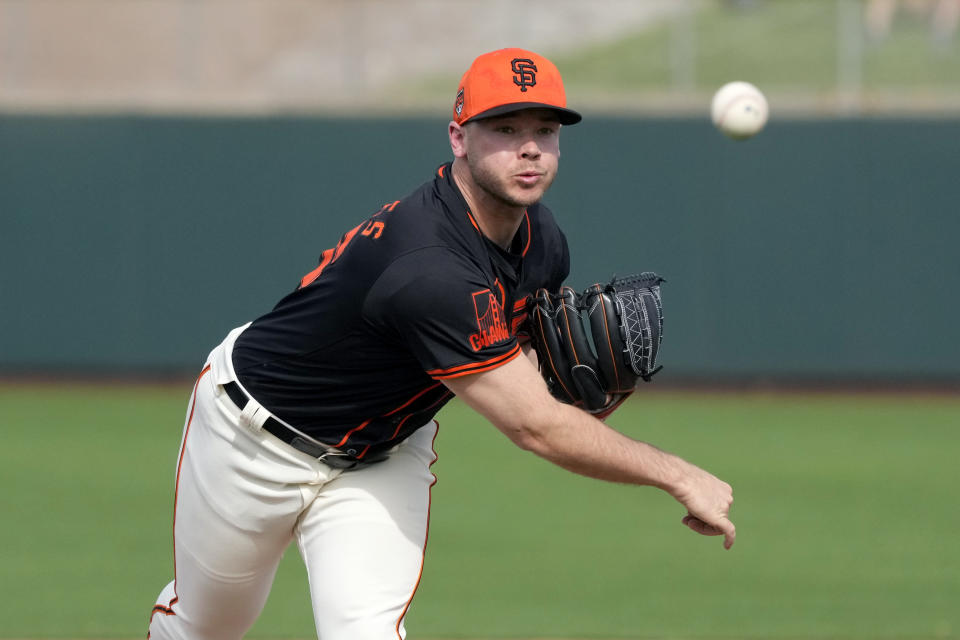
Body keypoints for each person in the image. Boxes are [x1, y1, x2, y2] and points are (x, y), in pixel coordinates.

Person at [147, 47, 735, 640]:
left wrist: (577, 389)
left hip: (381, 454)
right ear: (459, 137)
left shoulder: (543, 239)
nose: (530, 147)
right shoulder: (427, 266)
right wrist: (677, 474)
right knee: (204, 630)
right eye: (505, 129)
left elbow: (524, 368)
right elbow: (535, 426)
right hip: (253, 438)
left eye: (545, 131)